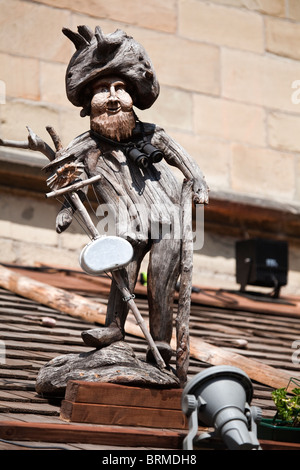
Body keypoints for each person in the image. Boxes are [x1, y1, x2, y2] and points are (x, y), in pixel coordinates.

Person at [43, 26, 209, 365]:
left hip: (169, 222)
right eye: (103, 89)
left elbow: (188, 165)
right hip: (125, 222)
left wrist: (199, 184)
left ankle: (160, 342)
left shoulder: (154, 135)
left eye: (120, 87)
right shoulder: (86, 145)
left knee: (162, 280)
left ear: (133, 94)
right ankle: (114, 328)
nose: (113, 96)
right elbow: (67, 180)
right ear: (88, 103)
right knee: (121, 270)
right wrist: (65, 209)